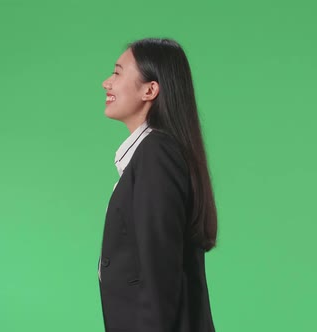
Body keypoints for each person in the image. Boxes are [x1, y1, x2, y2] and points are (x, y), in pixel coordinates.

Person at [98, 38, 217, 332]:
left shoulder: (155, 155)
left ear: (150, 90)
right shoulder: (154, 154)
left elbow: (160, 272)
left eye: (117, 73)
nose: (106, 83)